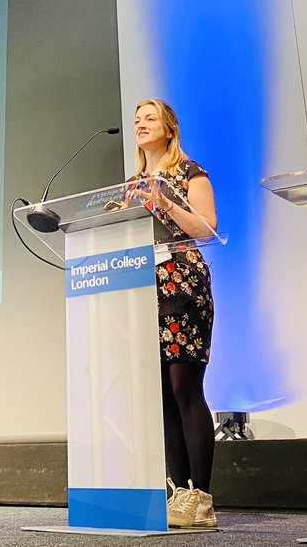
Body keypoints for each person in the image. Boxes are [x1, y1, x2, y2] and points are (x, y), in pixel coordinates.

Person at [129, 99, 219, 529]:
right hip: (142, 287)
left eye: (150, 118)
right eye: (137, 120)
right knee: (162, 395)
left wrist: (164, 203)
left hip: (181, 283)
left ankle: (201, 498)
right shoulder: (132, 184)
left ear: (169, 128)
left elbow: (207, 227)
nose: (140, 124)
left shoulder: (189, 172)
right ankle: (179, 493)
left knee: (184, 388)